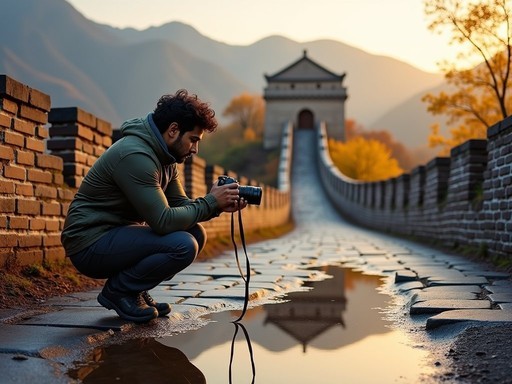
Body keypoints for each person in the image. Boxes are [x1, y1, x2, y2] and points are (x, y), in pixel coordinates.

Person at [61, 89, 247, 323]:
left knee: (195, 233)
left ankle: (133, 289)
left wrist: (218, 204)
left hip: (115, 235)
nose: (195, 149)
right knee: (183, 245)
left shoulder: (166, 158)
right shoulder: (135, 155)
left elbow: (180, 206)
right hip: (89, 242)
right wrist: (210, 202)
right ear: (173, 130)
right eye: (193, 140)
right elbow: (163, 220)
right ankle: (120, 291)